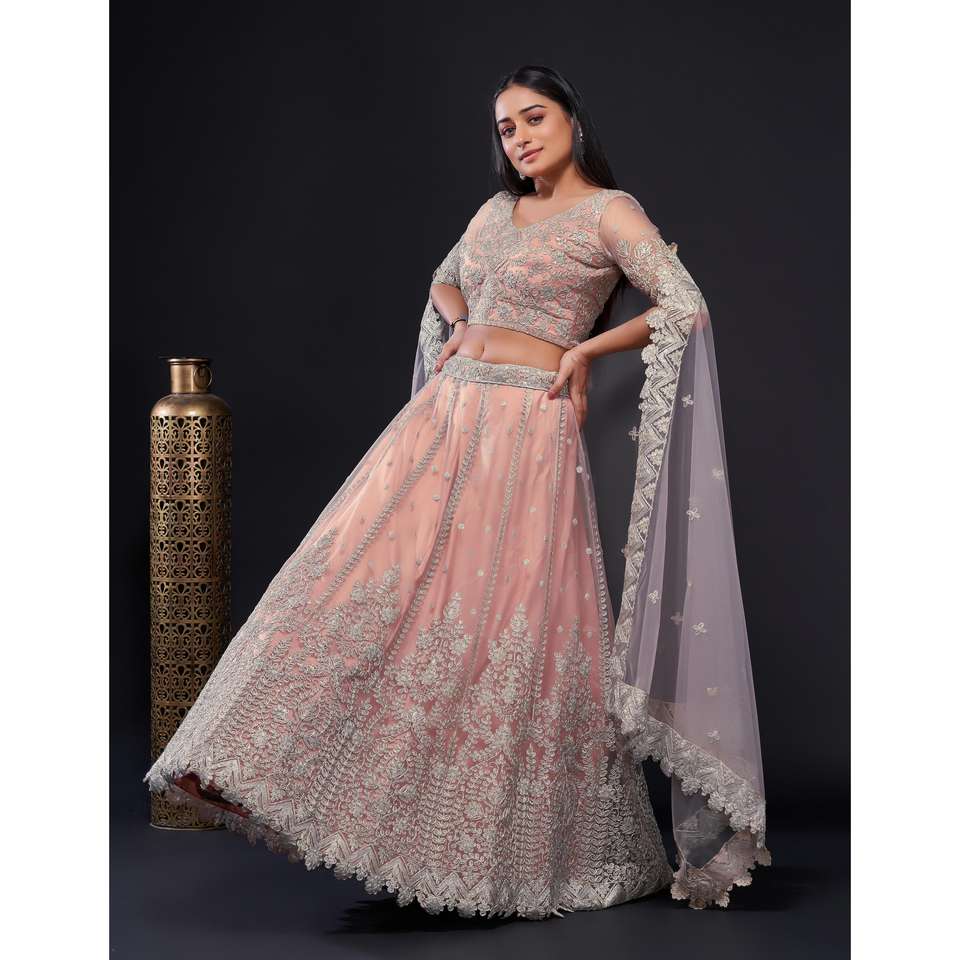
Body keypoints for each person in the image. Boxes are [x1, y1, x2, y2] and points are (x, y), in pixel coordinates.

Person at [145, 64, 769, 919]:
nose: (519, 138)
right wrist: (461, 321)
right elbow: (447, 277)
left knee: (503, 616)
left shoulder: (608, 212)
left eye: (534, 117)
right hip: (446, 414)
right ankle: (277, 778)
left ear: (573, 121)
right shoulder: (492, 213)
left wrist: (584, 352)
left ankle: (495, 851)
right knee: (360, 574)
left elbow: (683, 305)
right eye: (506, 128)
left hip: (525, 429)